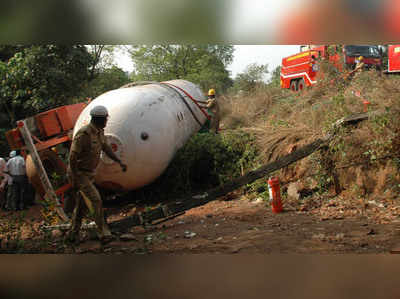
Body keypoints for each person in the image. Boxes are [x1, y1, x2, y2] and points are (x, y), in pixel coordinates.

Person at [67, 105, 127, 244]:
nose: (107, 121)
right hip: (79, 173)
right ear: (98, 119)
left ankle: (72, 235)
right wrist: (75, 177)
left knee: (81, 206)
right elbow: (72, 157)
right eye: (105, 118)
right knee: (96, 200)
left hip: (89, 174)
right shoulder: (84, 134)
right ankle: (104, 234)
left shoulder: (100, 132)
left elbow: (106, 148)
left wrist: (119, 161)